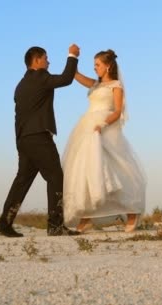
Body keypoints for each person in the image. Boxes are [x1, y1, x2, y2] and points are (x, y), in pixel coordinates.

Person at [0, 45, 82, 237]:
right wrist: (72, 55)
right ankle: (56, 225)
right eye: (46, 58)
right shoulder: (40, 77)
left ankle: (4, 224)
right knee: (56, 177)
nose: (48, 62)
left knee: (22, 181)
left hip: (23, 139)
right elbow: (66, 79)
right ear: (36, 61)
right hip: (39, 138)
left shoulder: (20, 85)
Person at [62, 49, 146, 233]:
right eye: (94, 65)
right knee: (87, 170)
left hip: (105, 129)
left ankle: (132, 212)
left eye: (97, 65)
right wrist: (72, 58)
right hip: (87, 128)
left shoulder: (116, 86)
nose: (95, 69)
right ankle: (86, 216)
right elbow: (74, 75)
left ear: (108, 66)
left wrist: (102, 124)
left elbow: (117, 111)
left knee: (116, 170)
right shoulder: (95, 85)